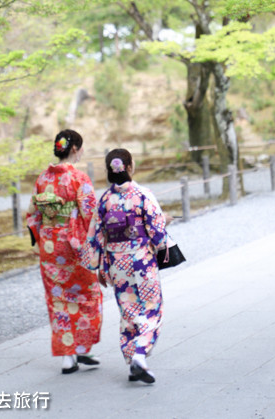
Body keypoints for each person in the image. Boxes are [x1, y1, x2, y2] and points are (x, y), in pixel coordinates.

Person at [83, 148, 168, 384]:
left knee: (128, 310)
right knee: (151, 308)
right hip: (142, 261)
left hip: (116, 263)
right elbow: (158, 233)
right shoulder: (143, 194)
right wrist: (162, 239)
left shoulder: (105, 200)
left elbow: (96, 235)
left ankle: (132, 360)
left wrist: (99, 266)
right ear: (129, 166)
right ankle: (140, 354)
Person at [26, 129, 103, 374]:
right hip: (74, 247)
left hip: (50, 249)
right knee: (87, 295)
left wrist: (43, 239)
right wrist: (95, 245)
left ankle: (68, 357)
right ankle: (82, 348)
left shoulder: (42, 179)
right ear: (74, 149)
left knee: (58, 300)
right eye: (81, 149)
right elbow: (91, 216)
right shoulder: (79, 178)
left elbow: (32, 216)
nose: (82, 153)